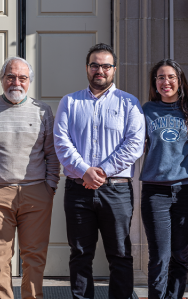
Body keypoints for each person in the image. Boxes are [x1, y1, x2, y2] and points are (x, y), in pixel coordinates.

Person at [53, 43, 145, 299]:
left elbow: (134, 144)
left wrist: (101, 171)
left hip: (116, 190)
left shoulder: (129, 103)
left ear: (114, 69)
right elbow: (61, 141)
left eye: (106, 65)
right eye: (95, 65)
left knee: (120, 254)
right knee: (80, 254)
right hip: (77, 190)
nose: (100, 70)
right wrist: (84, 171)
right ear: (87, 68)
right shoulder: (69, 102)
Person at [0, 57, 60, 299]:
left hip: (36, 192)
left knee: (34, 256)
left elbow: (52, 152)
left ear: (29, 81)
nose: (15, 82)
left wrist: (50, 186)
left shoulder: (43, 111)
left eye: (22, 78)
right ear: (2, 79)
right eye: (10, 77)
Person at [139, 59, 188, 299]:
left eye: (171, 77)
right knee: (159, 255)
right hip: (155, 192)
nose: (166, 82)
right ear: (154, 83)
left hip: (186, 191)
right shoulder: (146, 110)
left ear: (179, 81)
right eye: (160, 77)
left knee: (180, 254)